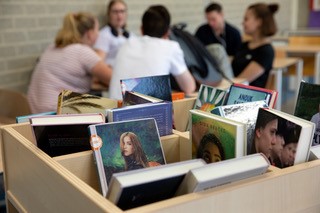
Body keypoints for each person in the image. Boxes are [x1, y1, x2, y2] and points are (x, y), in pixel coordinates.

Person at [27, 12, 112, 114]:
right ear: (90, 34)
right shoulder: (82, 51)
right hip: (54, 116)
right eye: (97, 30)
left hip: (34, 113)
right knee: (109, 109)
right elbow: (113, 78)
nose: (98, 34)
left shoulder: (52, 47)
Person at [109, 5, 196, 100]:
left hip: (113, 110)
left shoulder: (126, 44)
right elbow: (189, 88)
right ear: (168, 32)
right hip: (147, 113)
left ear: (141, 29)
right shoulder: (170, 47)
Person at [231, 3, 279, 88]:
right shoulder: (244, 45)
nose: (243, 23)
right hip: (232, 88)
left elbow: (242, 81)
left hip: (248, 97)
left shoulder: (266, 51)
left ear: (259, 22)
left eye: (246, 19)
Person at [94, 0, 131, 67]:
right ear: (109, 14)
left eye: (122, 11)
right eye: (115, 12)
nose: (119, 15)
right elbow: (98, 63)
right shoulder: (104, 35)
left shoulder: (130, 36)